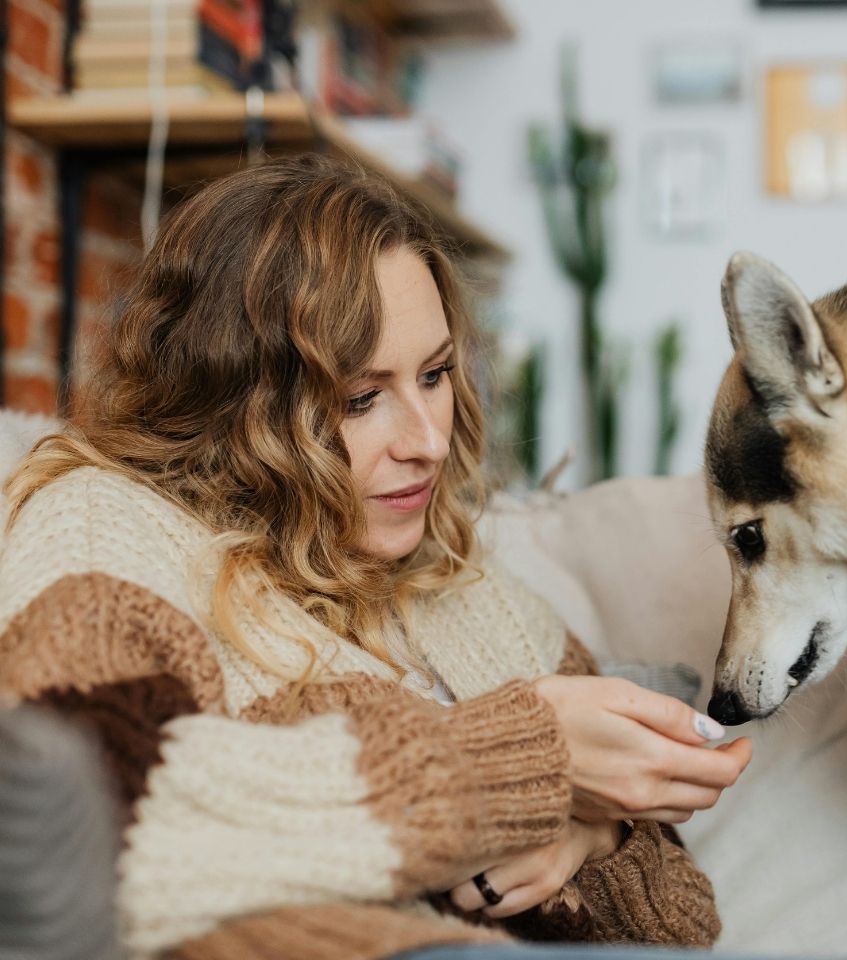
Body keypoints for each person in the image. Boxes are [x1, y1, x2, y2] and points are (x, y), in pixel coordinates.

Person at [0, 154, 754, 960]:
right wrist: (521, 766)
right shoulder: (108, 525)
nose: (428, 442)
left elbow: (681, 919)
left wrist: (588, 837)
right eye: (361, 398)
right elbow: (72, 825)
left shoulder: (464, 586)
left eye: (434, 376)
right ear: (234, 400)